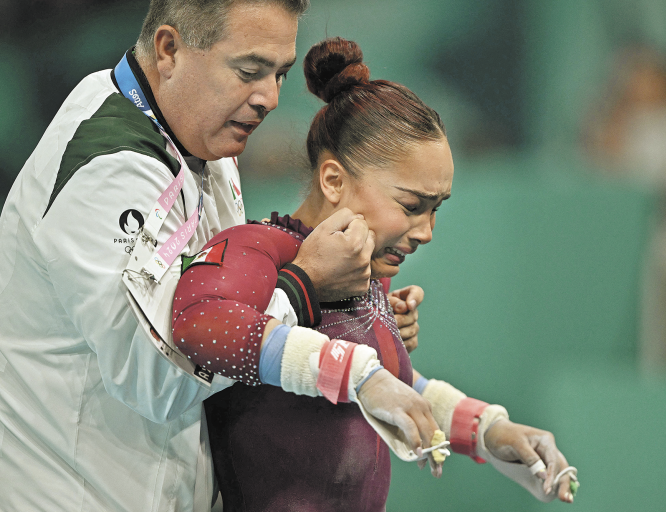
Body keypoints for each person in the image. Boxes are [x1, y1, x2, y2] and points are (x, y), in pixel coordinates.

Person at [0, 2, 433, 511]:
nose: (270, 98)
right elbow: (158, 378)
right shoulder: (104, 170)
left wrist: (351, 317)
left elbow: (236, 304)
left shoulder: (204, 138)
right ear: (169, 50)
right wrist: (305, 289)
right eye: (250, 71)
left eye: (281, 74)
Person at [172, 37, 576, 511]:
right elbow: (197, 326)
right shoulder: (258, 249)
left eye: (435, 210)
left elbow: (398, 391)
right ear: (334, 180)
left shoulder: (366, 280)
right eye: (411, 206)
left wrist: (490, 430)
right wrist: (358, 373)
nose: (426, 232)